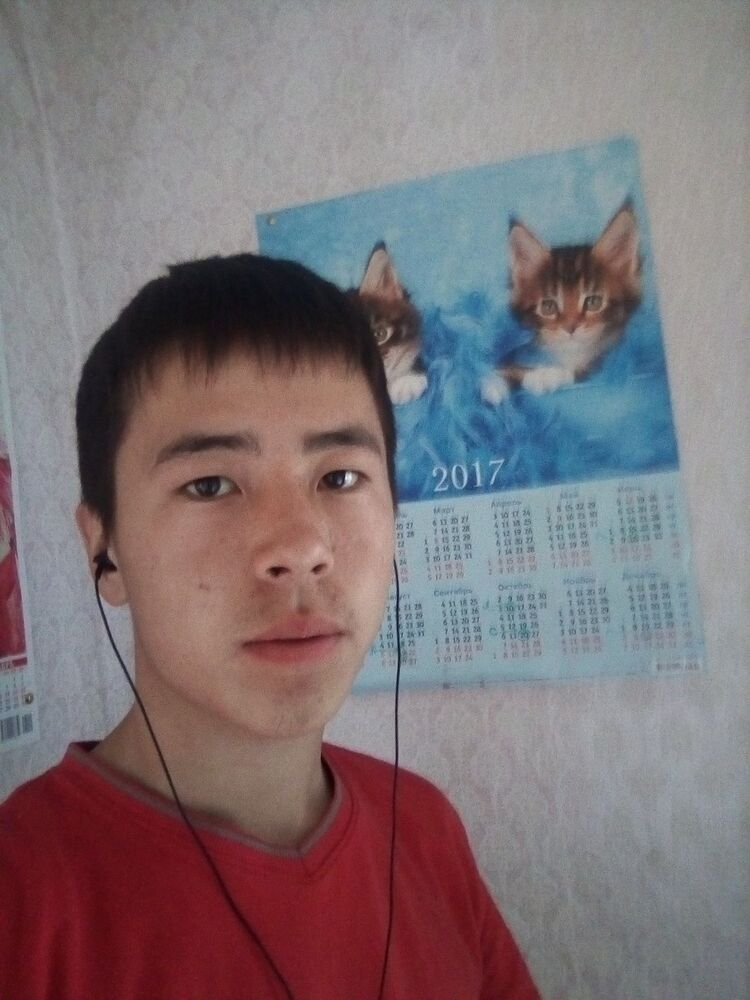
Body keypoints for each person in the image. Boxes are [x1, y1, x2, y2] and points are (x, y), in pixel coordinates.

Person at [0, 254, 539, 999]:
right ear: (105, 551)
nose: (300, 547)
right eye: (210, 484)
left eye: (340, 477)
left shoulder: (424, 828)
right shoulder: (21, 903)